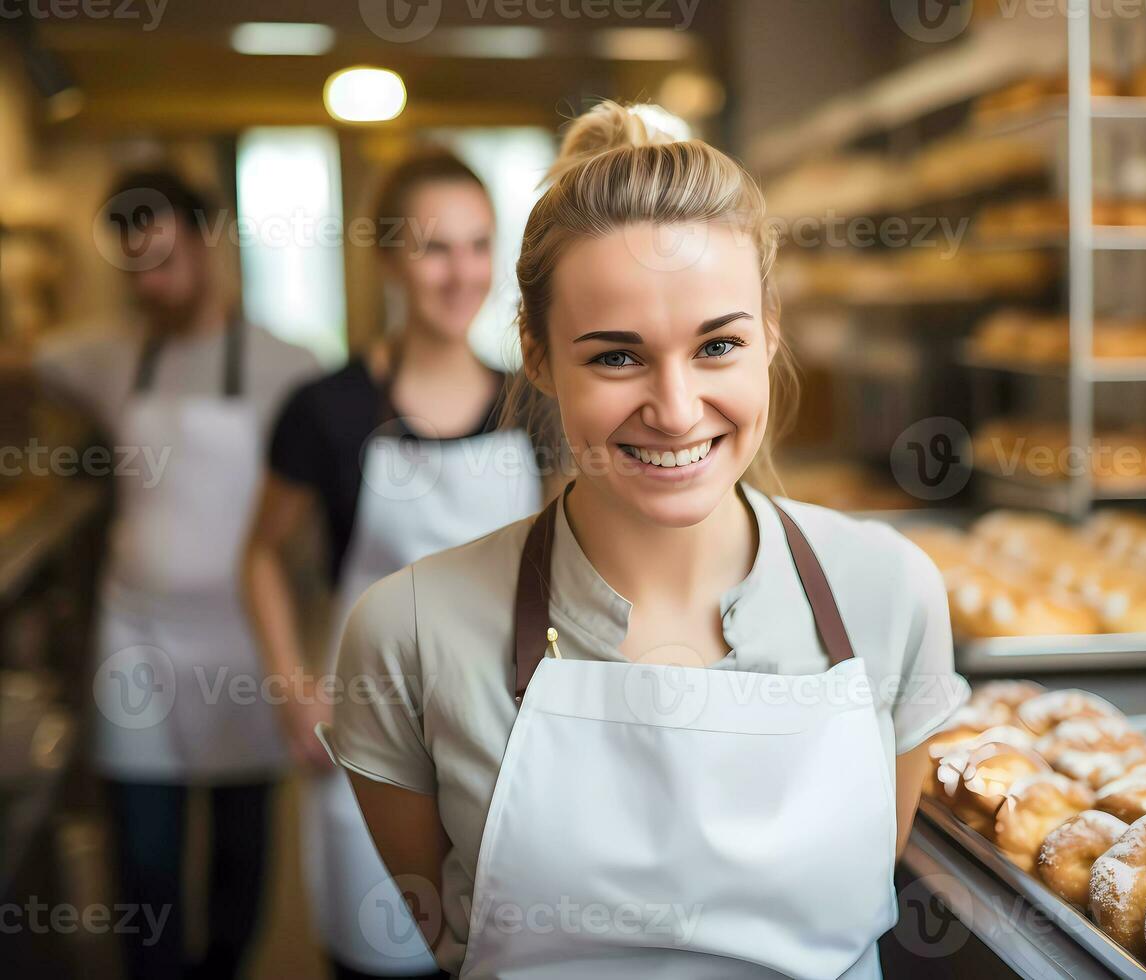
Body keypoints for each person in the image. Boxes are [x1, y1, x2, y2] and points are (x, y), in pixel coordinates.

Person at [318, 101, 971, 978]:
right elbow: (448, 937)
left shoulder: (889, 595)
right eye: (615, 357)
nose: (674, 410)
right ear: (537, 355)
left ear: (770, 333)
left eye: (718, 346)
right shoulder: (404, 633)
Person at [242, 150, 544, 980]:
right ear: (387, 259)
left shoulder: (534, 405)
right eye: (434, 248)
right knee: (378, 957)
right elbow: (261, 554)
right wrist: (289, 687)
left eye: (478, 246)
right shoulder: (325, 409)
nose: (461, 273)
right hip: (367, 739)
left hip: (505, 737)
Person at [29, 170, 319, 978]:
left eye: (165, 259)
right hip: (137, 638)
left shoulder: (287, 367)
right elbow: (23, 363)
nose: (151, 283)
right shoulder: (108, 357)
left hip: (243, 641)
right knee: (144, 861)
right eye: (135, 268)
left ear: (209, 242)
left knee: (241, 853)